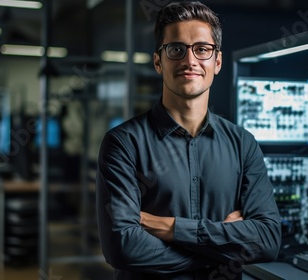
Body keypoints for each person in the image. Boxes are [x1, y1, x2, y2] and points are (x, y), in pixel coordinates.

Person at [95, 1, 282, 279]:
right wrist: (220, 249)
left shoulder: (243, 144)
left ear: (217, 62)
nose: (190, 60)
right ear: (159, 61)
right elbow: (123, 247)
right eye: (176, 49)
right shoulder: (123, 144)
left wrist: (171, 229)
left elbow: (268, 240)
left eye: (202, 49)